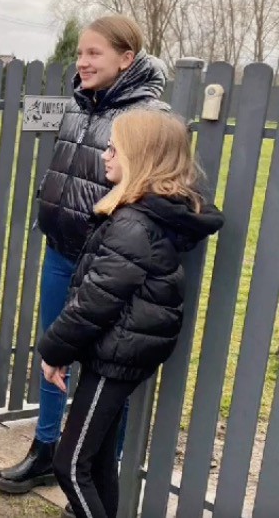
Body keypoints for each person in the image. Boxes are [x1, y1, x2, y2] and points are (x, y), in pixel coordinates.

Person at [0, 15, 170, 495]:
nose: (83, 62)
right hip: (61, 254)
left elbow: (149, 192)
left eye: (94, 53)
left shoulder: (149, 117)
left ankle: (96, 472)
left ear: (125, 58)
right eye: (80, 53)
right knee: (54, 351)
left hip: (110, 265)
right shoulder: (76, 106)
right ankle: (46, 449)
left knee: (107, 365)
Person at [38, 110, 223, 518]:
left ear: (140, 157)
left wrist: (54, 350)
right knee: (99, 462)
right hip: (116, 350)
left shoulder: (133, 223)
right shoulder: (142, 214)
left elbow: (96, 300)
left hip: (116, 356)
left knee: (69, 465)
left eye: (114, 148)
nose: (105, 155)